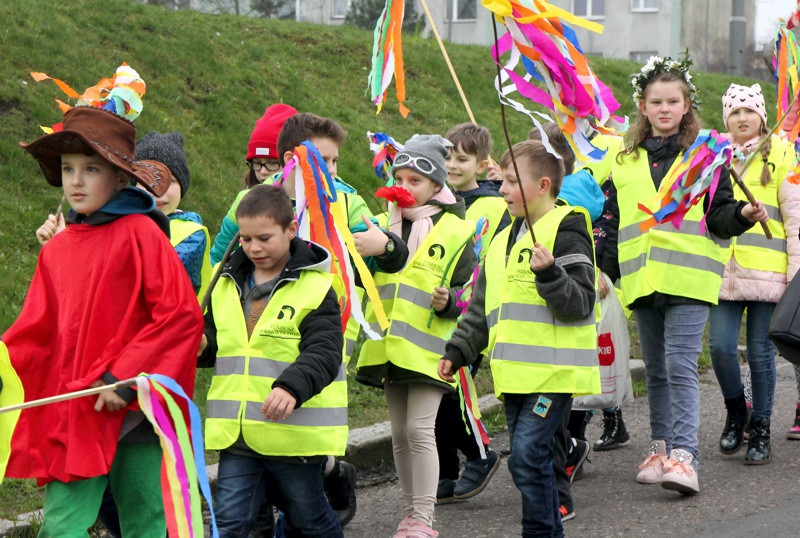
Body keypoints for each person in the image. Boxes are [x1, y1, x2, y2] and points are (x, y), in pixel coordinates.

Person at [4, 105, 204, 536]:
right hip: (77, 411)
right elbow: (36, 331)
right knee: (62, 526)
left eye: (90, 168)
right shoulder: (57, 251)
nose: (75, 181)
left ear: (118, 177)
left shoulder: (144, 235)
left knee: (147, 522)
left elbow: (180, 317)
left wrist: (124, 379)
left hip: (133, 408)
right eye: (68, 168)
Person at [595, 55, 768, 495]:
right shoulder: (624, 158)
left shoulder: (707, 154)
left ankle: (686, 456)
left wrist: (743, 214)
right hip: (642, 280)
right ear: (643, 106)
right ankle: (660, 448)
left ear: (687, 104)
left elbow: (719, 216)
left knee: (678, 363)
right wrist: (601, 269)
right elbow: (613, 222)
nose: (665, 109)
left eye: (674, 101)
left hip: (690, 279)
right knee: (654, 369)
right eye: (657, 102)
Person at [439, 139, 600, 536]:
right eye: (504, 181)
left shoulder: (567, 228)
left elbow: (580, 302)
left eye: (512, 182)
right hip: (513, 376)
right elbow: (480, 308)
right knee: (531, 461)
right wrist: (458, 350)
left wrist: (550, 274)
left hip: (553, 375)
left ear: (543, 185)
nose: (503, 189)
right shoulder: (500, 240)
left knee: (526, 457)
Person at [199, 184, 346, 537]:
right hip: (237, 435)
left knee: (308, 519)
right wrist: (201, 345)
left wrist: (291, 387)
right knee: (231, 522)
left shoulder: (316, 287)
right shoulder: (224, 281)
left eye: (264, 238)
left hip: (292, 434)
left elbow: (324, 351)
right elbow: (216, 342)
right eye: (245, 239)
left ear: (290, 230)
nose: (253, 248)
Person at [356, 134, 477, 538]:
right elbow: (366, 280)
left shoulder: (457, 229)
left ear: (436, 185)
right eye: (400, 178)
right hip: (390, 346)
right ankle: (409, 514)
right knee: (400, 433)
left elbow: (472, 293)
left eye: (415, 181)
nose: (405, 188)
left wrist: (450, 302)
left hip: (431, 348)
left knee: (420, 430)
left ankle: (424, 518)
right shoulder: (382, 223)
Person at [708, 83, 800, 464]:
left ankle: (760, 428)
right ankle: (736, 413)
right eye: (735, 112)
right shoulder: (714, 155)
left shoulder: (781, 153)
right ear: (726, 117)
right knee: (721, 348)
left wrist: (796, 274)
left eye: (749, 111)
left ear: (762, 116)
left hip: (768, 273)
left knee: (761, 354)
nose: (742, 118)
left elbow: (794, 218)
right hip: (722, 273)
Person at [432, 123, 507, 504]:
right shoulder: (436, 202)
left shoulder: (492, 208)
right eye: (447, 156)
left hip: (468, 317)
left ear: (482, 165)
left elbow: (484, 267)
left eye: (462, 158)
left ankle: (479, 454)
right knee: (430, 392)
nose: (452, 165)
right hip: (432, 313)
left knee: (448, 392)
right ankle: (444, 473)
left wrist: (457, 302)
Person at [210, 102, 298, 265]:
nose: (263, 171)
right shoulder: (243, 200)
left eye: (272, 163)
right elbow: (220, 255)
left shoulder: (308, 205)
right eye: (257, 163)